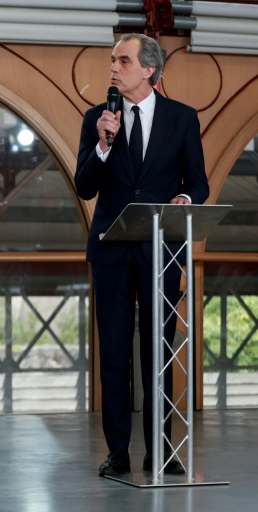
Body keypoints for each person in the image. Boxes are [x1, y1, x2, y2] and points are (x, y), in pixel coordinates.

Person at [75, 33, 209, 477]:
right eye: (112, 60)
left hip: (160, 251)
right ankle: (117, 451)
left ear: (149, 69)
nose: (113, 67)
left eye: (123, 61)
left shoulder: (182, 118)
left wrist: (186, 200)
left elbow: (199, 182)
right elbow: (84, 186)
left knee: (159, 353)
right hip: (112, 250)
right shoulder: (98, 118)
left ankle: (161, 449)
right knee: (113, 355)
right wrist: (102, 144)